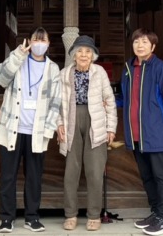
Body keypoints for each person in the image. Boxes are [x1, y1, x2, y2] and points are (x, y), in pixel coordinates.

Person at [0, 27, 62, 233]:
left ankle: (32, 217)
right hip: (11, 129)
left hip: (37, 132)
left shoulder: (53, 68)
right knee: (8, 176)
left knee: (34, 177)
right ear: (29, 42)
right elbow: (1, 79)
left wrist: (48, 131)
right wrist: (17, 56)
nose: (39, 43)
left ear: (48, 44)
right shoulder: (18, 60)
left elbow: (55, 102)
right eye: (36, 39)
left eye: (43, 40)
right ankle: (7, 218)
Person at [121, 28, 163, 236]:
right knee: (147, 176)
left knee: (160, 175)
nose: (140, 45)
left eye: (145, 42)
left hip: (156, 131)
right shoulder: (128, 68)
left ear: (153, 46)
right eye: (136, 41)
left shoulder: (162, 69)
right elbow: (127, 98)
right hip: (135, 133)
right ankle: (156, 212)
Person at [57, 35, 117, 232]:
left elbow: (109, 100)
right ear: (74, 55)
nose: (83, 55)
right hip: (71, 121)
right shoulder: (64, 74)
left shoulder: (99, 72)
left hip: (96, 123)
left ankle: (94, 215)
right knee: (71, 172)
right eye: (80, 51)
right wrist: (59, 124)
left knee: (95, 171)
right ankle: (70, 214)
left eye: (88, 51)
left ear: (93, 56)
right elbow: (56, 103)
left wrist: (110, 128)